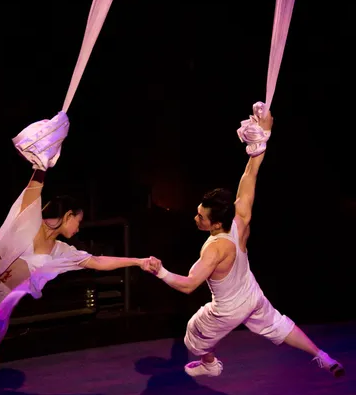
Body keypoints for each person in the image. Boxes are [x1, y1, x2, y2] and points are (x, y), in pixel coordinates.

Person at [146, 103, 345, 379]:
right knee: (278, 323)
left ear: (216, 224)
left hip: (227, 309)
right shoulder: (240, 217)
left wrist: (161, 272)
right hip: (251, 294)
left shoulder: (215, 249)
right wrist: (264, 133)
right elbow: (250, 172)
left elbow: (190, 285)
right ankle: (322, 356)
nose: (196, 218)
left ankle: (210, 364)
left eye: (201, 217)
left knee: (193, 334)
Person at [0, 112, 153, 381]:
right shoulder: (30, 220)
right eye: (78, 221)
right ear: (68, 215)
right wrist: (44, 160)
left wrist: (138, 262)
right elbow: (33, 187)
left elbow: (97, 261)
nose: (79, 228)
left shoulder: (62, 252)